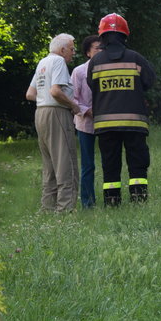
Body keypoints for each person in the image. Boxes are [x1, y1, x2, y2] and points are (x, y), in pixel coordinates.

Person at [87, 13, 156, 206]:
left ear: (102, 36)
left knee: (110, 165)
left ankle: (112, 202)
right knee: (138, 163)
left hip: (105, 125)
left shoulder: (95, 62)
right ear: (125, 35)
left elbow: (91, 85)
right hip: (134, 123)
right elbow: (149, 81)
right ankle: (139, 200)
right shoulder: (136, 59)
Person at [25, 33, 80, 212]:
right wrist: (73, 105)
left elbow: (30, 94)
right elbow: (56, 91)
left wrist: (45, 100)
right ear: (62, 49)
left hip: (40, 113)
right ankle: (65, 209)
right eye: (72, 49)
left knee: (49, 164)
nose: (74, 53)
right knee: (66, 162)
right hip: (57, 114)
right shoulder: (58, 62)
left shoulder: (42, 62)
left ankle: (47, 207)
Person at [70, 35, 103, 208]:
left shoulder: (107, 69)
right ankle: (88, 202)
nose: (101, 51)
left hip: (106, 123)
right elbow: (72, 98)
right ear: (88, 52)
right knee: (88, 164)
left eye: (103, 48)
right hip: (85, 124)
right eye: (97, 48)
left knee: (109, 161)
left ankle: (111, 198)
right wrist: (87, 111)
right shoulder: (79, 72)